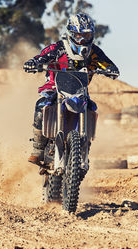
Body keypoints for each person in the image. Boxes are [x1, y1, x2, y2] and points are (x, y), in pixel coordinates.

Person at [23, 13, 120, 165]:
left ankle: (84, 144)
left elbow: (107, 64)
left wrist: (111, 70)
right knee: (41, 105)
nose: (83, 40)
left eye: (86, 36)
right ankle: (38, 148)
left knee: (91, 107)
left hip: (80, 91)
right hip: (55, 88)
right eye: (79, 36)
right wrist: (33, 63)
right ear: (71, 34)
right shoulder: (59, 48)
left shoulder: (94, 52)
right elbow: (41, 56)